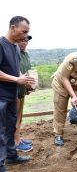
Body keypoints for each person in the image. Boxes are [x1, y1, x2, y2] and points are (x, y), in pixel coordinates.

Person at [0, 16, 35, 171]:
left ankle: (12, 156)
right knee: (0, 131)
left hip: (12, 95)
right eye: (24, 31)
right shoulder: (1, 45)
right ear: (13, 28)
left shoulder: (15, 47)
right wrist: (16, 79)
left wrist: (23, 79)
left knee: (10, 128)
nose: (25, 36)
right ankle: (1, 164)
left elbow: (15, 69)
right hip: (0, 96)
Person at [15, 35, 33, 152]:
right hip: (13, 91)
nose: (25, 42)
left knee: (19, 117)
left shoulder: (25, 54)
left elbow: (27, 71)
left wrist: (29, 86)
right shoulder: (13, 54)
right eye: (22, 40)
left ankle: (18, 138)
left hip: (21, 90)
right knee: (14, 118)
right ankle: (15, 142)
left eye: (26, 40)